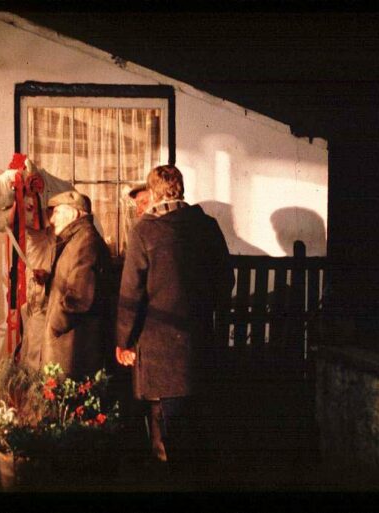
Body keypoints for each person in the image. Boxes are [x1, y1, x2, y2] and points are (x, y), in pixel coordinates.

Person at [115, 165, 234, 480]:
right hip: (199, 342)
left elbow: (131, 292)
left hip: (159, 348)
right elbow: (226, 280)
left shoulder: (145, 230)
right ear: (180, 189)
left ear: (153, 192)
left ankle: (170, 475)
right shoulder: (208, 226)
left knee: (167, 424)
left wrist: (123, 340)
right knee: (198, 423)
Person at [41, 190, 112, 382]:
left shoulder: (85, 242)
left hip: (73, 350)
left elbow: (80, 296)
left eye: (56, 212)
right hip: (69, 346)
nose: (52, 220)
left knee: (67, 406)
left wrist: (55, 324)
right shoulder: (77, 240)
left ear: (73, 213)